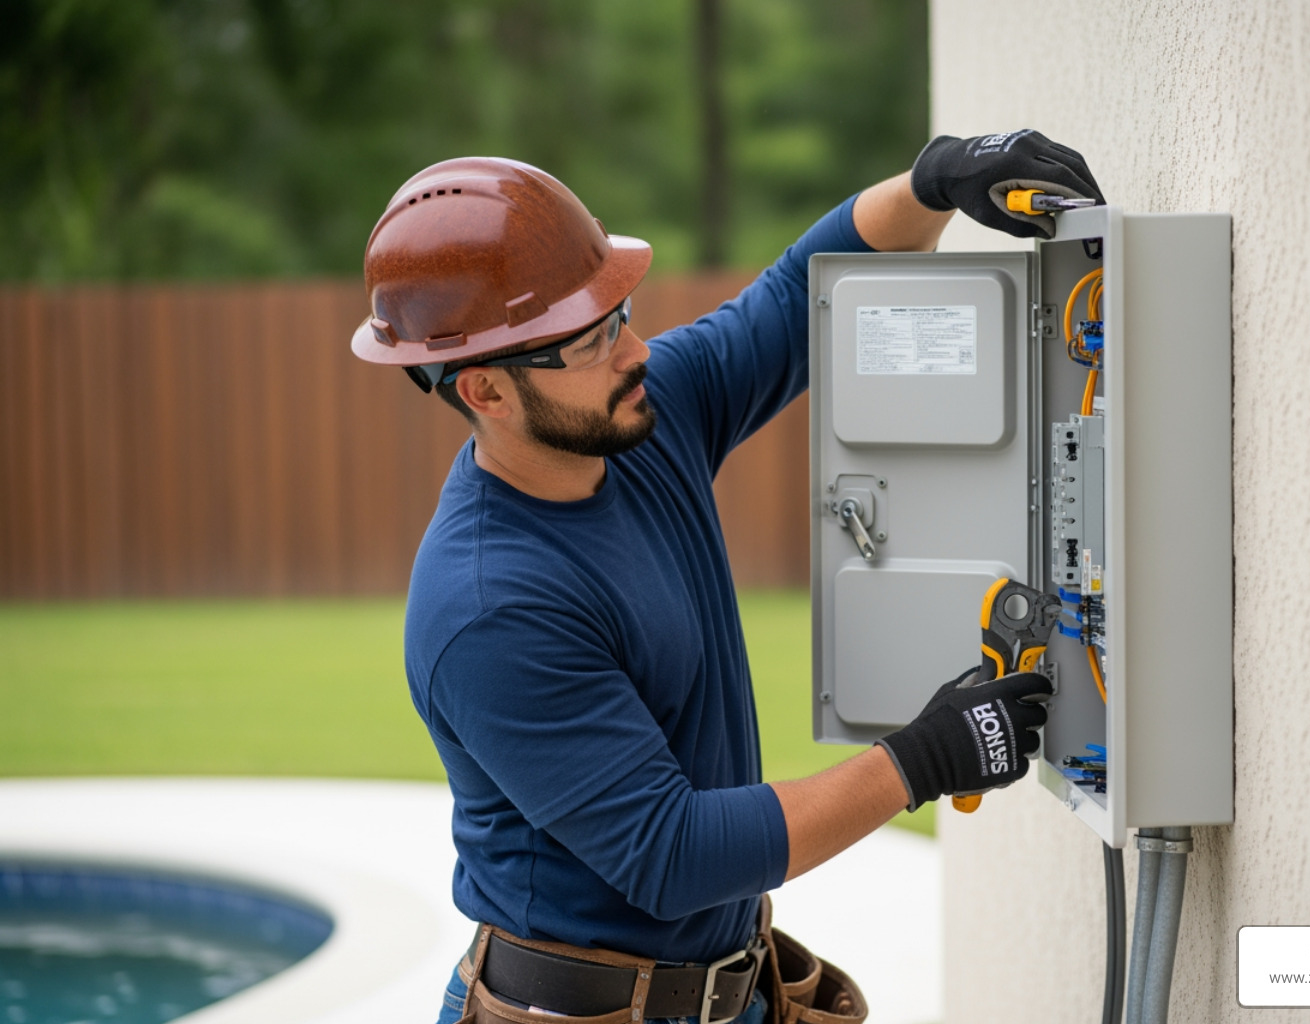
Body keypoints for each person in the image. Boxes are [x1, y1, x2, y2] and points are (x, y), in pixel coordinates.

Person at [349, 129, 1103, 1024]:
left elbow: (798, 296)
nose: (632, 352)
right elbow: (670, 855)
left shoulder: (645, 419)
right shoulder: (490, 606)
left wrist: (933, 181)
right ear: (485, 392)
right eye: (588, 343)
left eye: (617, 317)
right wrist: (922, 757)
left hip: (721, 992)